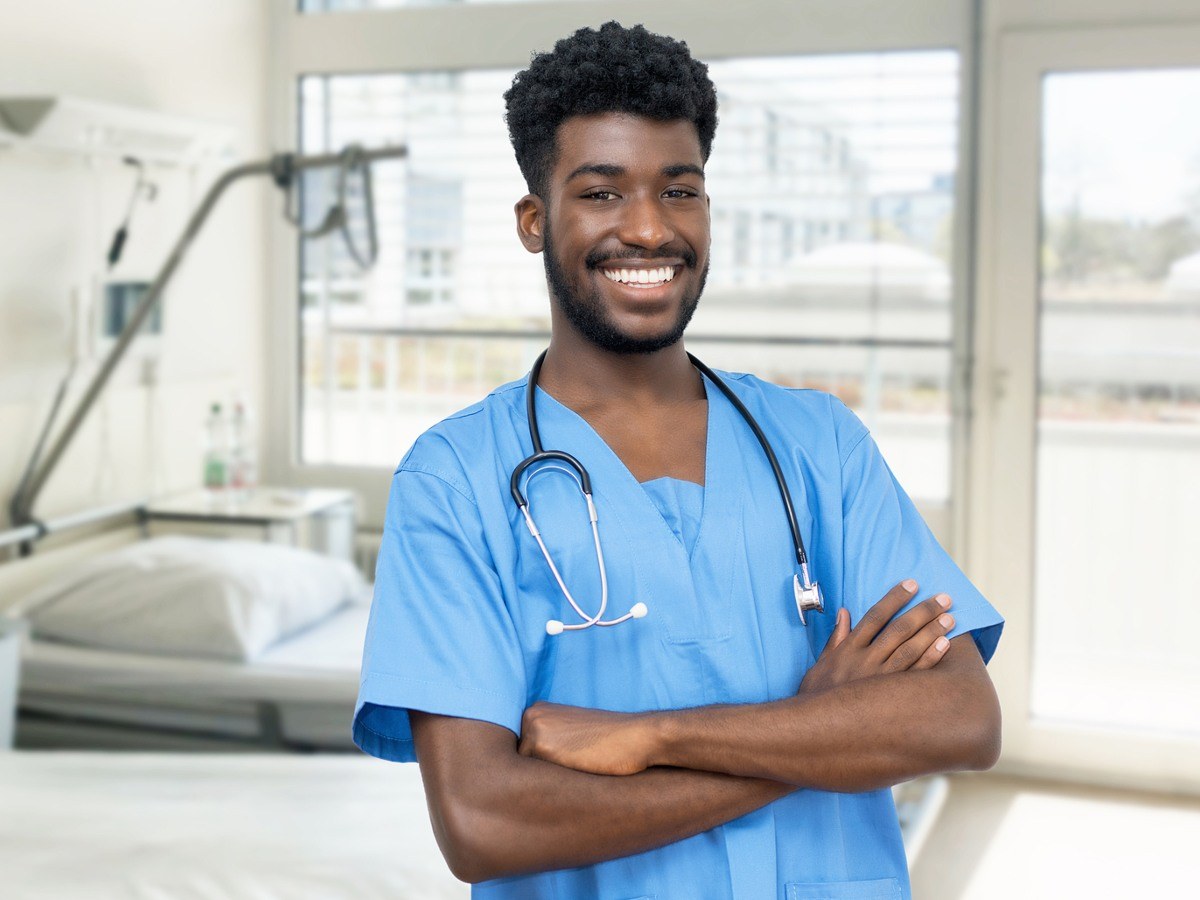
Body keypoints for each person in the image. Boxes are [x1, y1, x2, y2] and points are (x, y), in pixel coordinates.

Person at [354, 21, 1003, 899]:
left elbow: (961, 717)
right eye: (601, 193)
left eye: (680, 190)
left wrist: (653, 737)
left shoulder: (818, 445)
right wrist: (817, 731)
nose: (650, 229)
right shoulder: (455, 482)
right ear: (535, 221)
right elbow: (483, 821)